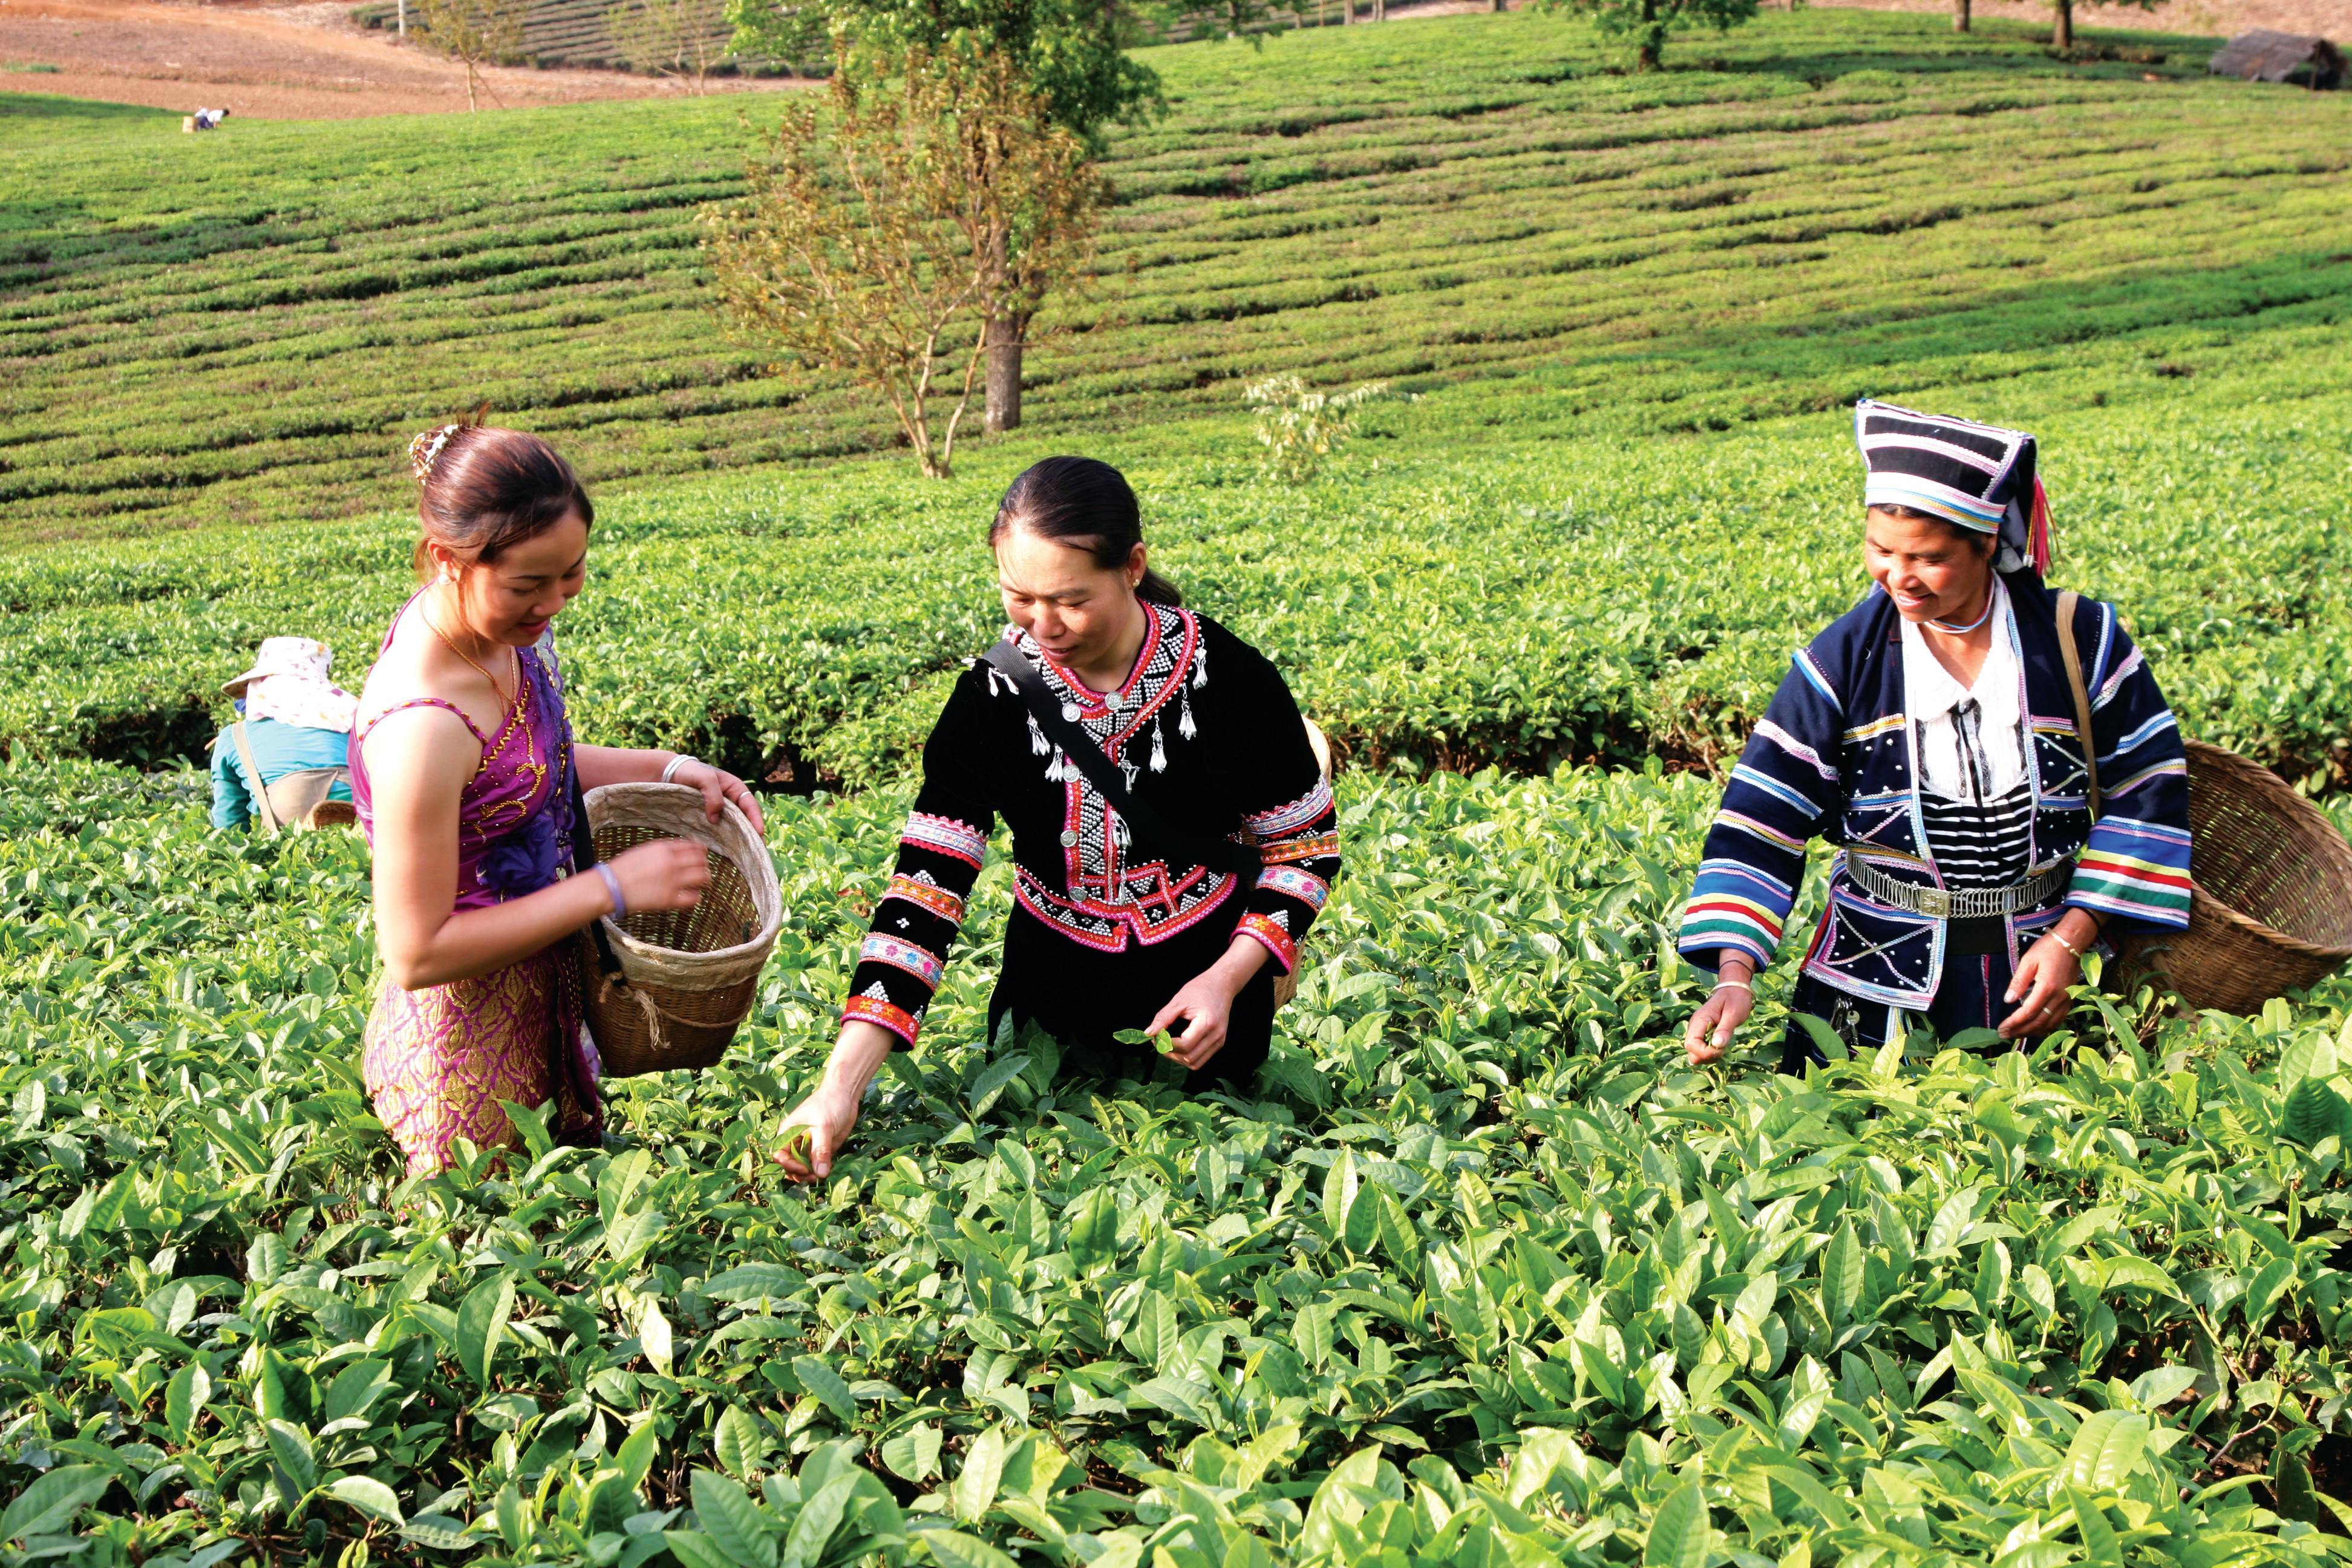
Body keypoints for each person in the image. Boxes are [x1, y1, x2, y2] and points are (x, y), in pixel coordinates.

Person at [774, 456, 1342, 1182]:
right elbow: (926, 889)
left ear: (1132, 567)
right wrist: (838, 1089)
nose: (1043, 626)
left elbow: (1306, 851)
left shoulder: (1228, 679)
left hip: (1207, 1009)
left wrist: (1228, 981)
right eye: (1019, 597)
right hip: (1049, 1008)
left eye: (1070, 600)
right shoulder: (992, 697)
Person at [1679, 400, 2192, 1068]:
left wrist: (2071, 940)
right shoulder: (1842, 660)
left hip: (2044, 974)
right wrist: (1734, 974)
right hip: (1867, 979)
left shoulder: (2080, 639)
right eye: (1880, 550)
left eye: (1929, 558)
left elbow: (2148, 785)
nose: (1899, 577)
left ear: (1986, 542)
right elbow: (1761, 819)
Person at [351, 422, 765, 1177]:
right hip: (469, 1062)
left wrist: (670, 768)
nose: (554, 602)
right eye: (528, 584)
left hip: (542, 999)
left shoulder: (490, 631)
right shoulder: (422, 727)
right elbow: (415, 953)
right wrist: (608, 887)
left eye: (571, 573)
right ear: (448, 560)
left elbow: (529, 765)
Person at [209, 636, 356, 833]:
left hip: (288, 835)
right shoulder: (352, 719)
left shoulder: (234, 736)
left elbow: (229, 824)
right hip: (366, 823)